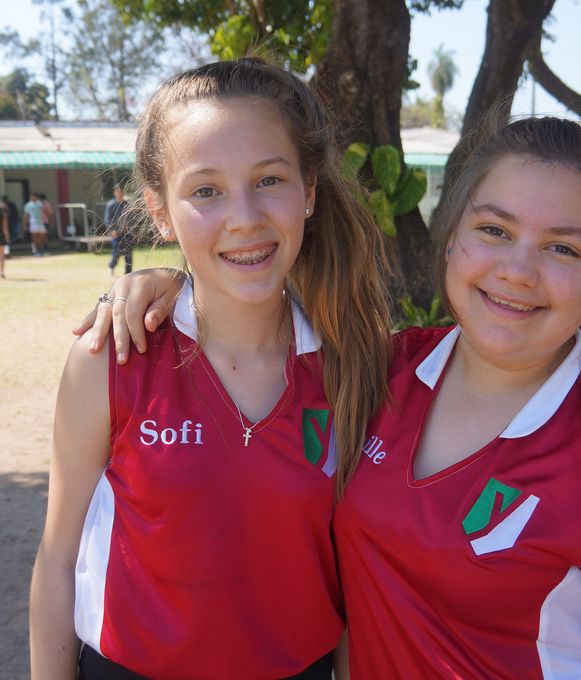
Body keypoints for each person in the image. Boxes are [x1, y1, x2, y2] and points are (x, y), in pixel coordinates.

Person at [84, 117, 581, 679]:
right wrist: (165, 283)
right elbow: (251, 310)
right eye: (494, 230)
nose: (518, 270)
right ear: (451, 237)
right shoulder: (379, 370)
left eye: (563, 248)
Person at [30, 57, 391, 680]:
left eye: (269, 179)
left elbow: (355, 576)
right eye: (205, 190)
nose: (244, 216)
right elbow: (58, 558)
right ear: (159, 209)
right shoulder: (112, 356)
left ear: (308, 192)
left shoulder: (356, 365)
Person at [104, 184, 133, 275]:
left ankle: (128, 273)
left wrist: (131, 228)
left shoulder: (127, 204)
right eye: (118, 191)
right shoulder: (111, 205)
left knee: (128, 254)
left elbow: (131, 218)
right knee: (116, 253)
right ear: (115, 193)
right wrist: (112, 230)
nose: (120, 193)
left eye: (121, 191)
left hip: (127, 233)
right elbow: (107, 219)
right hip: (116, 234)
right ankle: (111, 266)